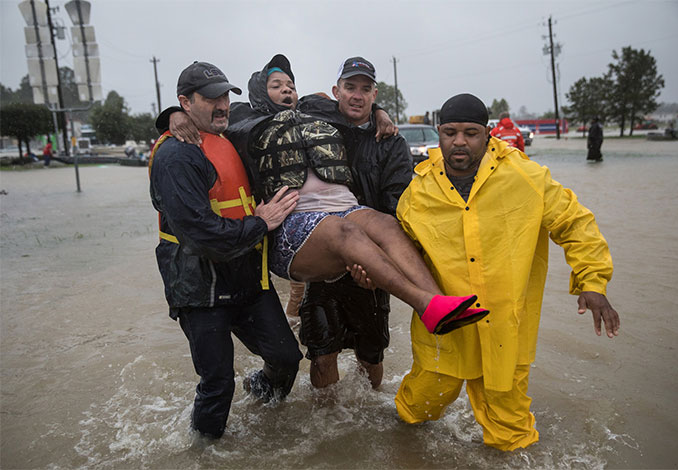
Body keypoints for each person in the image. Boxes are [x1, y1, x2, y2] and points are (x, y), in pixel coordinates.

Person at [160, 55, 487, 339]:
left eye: (290, 83)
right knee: (344, 231)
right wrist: (173, 115)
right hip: (295, 224)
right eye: (276, 85)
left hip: (343, 206)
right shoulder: (241, 118)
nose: (286, 89)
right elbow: (202, 116)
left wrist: (382, 112)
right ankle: (424, 305)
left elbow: (356, 104)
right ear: (261, 92)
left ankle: (441, 305)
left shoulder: (315, 108)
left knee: (386, 224)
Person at [392, 93, 620, 451]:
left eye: (470, 133)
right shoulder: (418, 193)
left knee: (510, 432)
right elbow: (400, 255)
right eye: (450, 132)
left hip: (505, 328)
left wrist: (592, 282)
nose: (460, 142)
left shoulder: (526, 177)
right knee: (417, 407)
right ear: (440, 133)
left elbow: (575, 223)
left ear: (488, 133)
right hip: (446, 327)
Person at [148, 61, 304, 439]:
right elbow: (202, 234)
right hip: (201, 289)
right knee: (218, 382)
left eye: (224, 96)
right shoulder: (175, 157)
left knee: (286, 358)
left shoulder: (227, 136)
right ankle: (206, 453)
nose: (222, 105)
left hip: (246, 279)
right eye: (210, 98)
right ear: (185, 102)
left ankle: (264, 412)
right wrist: (260, 223)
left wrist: (378, 113)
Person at [293, 56, 413, 389]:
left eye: (364, 89)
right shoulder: (314, 130)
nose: (356, 96)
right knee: (321, 351)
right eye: (349, 87)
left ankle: (370, 410)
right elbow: (288, 106)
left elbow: (398, 207)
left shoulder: (391, 143)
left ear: (375, 94)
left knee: (371, 354)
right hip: (325, 261)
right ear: (336, 92)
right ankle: (327, 427)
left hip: (371, 264)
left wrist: (377, 262)